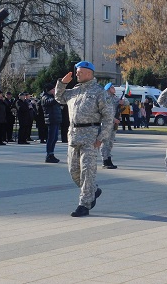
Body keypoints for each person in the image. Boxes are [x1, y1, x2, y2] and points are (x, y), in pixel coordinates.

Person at [55, 60, 113, 217]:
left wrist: (102, 137)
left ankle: (84, 204)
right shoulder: (74, 91)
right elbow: (59, 98)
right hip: (74, 136)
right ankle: (93, 190)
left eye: (79, 72)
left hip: (90, 137)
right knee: (74, 172)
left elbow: (108, 116)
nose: (76, 74)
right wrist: (62, 83)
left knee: (87, 172)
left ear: (89, 73)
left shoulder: (99, 92)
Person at [42, 83, 62, 163]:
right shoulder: (45, 97)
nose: (54, 91)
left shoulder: (51, 97)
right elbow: (52, 102)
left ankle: (52, 153)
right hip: (51, 120)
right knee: (51, 138)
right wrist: (55, 96)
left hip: (55, 120)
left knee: (55, 138)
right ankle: (49, 154)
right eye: (53, 89)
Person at [102, 83, 121, 169]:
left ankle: (109, 159)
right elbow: (104, 112)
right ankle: (105, 161)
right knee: (105, 143)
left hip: (113, 124)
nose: (114, 88)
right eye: (112, 87)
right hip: (106, 123)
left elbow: (126, 102)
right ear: (108, 89)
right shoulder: (105, 98)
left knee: (110, 143)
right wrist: (113, 119)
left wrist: (123, 101)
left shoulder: (115, 98)